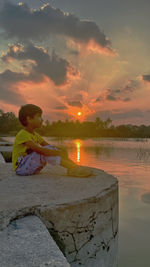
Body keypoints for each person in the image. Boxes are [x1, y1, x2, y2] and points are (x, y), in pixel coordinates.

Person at [12, 104, 92, 177]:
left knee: (50, 148)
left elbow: (48, 146)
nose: (42, 120)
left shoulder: (35, 135)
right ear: (29, 119)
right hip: (21, 168)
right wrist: (58, 153)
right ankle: (72, 168)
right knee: (43, 153)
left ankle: (73, 167)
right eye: (39, 117)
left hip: (30, 167)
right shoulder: (22, 135)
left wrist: (61, 151)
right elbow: (40, 150)